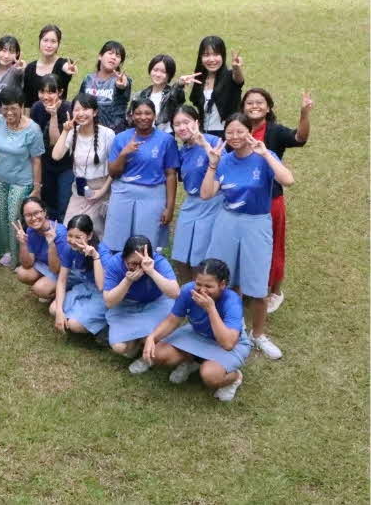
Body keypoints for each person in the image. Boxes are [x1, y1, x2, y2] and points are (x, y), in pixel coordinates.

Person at [201, 113, 294, 360]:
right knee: (223, 279)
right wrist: (212, 164)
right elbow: (206, 194)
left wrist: (266, 155)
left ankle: (258, 335)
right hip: (227, 222)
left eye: (240, 131)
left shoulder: (264, 156)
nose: (235, 137)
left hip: (256, 223)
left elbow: (288, 180)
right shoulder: (223, 160)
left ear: (249, 132)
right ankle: (228, 329)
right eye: (229, 132)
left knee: (257, 285)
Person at [243, 87, 312, 312]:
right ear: (243, 108)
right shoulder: (238, 129)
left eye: (259, 102)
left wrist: (304, 114)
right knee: (249, 246)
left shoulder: (275, 131)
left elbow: (300, 138)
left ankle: (275, 291)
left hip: (271, 200)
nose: (254, 106)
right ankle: (249, 285)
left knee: (274, 246)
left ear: (268, 108)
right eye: (249, 103)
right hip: (244, 202)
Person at [142, 258, 251, 402]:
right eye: (198, 284)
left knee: (210, 376)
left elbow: (228, 343)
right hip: (197, 333)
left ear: (222, 284)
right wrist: (152, 337)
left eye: (209, 286)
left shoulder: (232, 301)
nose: (202, 290)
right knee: (158, 354)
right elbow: (172, 320)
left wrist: (211, 309)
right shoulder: (188, 290)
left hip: (228, 342)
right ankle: (190, 361)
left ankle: (235, 378)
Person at [105, 99, 179, 252]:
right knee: (117, 242)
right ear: (132, 116)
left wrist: (170, 207)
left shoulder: (166, 140)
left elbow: (171, 174)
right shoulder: (121, 138)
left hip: (152, 194)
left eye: (147, 113)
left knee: (146, 244)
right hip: (123, 193)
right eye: (138, 113)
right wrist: (124, 154)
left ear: (155, 115)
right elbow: (113, 172)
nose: (143, 117)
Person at [0, 86, 44, 266]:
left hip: (22, 181)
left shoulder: (33, 130)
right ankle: (1, 248)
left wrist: (37, 187)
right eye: (5, 108)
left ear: (22, 106)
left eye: (13, 108)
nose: (9, 113)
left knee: (13, 217)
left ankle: (16, 254)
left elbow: (36, 160)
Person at [102, 235, 180, 373]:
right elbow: (109, 302)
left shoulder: (158, 262)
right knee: (120, 347)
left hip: (156, 303)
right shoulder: (115, 263)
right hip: (127, 305)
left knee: (154, 337)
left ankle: (145, 352)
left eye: (141, 263)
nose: (138, 268)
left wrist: (151, 271)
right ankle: (137, 342)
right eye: (133, 263)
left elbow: (175, 293)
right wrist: (127, 281)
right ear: (124, 258)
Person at [169, 106, 223, 282]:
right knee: (179, 257)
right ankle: (187, 291)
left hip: (213, 203)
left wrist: (205, 146)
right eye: (177, 124)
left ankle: (201, 292)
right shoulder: (182, 150)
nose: (182, 127)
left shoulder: (213, 141)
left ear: (197, 122)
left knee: (199, 259)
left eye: (186, 122)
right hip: (191, 203)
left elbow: (224, 167)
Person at [51, 93, 114, 238]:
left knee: (92, 232)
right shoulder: (72, 133)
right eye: (77, 110)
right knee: (68, 228)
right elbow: (56, 155)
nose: (81, 114)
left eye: (85, 109)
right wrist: (65, 131)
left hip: (100, 190)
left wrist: (103, 190)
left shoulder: (107, 134)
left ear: (95, 112)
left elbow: (115, 167)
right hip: (79, 190)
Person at [50, 214, 111, 336]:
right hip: (86, 286)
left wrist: (95, 256)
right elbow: (62, 280)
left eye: (78, 237)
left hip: (103, 293)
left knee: (74, 325)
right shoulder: (69, 249)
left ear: (89, 236)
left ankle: (105, 328)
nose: (72, 241)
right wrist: (60, 311)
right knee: (54, 309)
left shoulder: (102, 252)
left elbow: (101, 286)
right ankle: (81, 316)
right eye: (70, 235)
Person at [30, 74, 73, 222]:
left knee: (63, 204)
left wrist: (54, 116)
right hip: (45, 164)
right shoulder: (36, 108)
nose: (45, 96)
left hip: (65, 165)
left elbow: (56, 143)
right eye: (42, 91)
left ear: (60, 92)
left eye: (51, 92)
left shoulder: (68, 109)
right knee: (47, 204)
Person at [188, 35, 245, 138]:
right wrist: (180, 84)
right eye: (206, 55)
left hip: (228, 134)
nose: (211, 59)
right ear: (201, 57)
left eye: (216, 54)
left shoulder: (230, 76)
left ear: (223, 56)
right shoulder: (199, 79)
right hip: (204, 134)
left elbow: (239, 81)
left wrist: (236, 68)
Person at [13, 196, 65, 302]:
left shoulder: (60, 232)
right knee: (22, 273)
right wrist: (23, 244)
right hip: (45, 265)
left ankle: (62, 292)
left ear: (44, 212)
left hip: (63, 271)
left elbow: (56, 269)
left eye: (36, 213)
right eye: (28, 215)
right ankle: (49, 287)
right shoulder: (30, 230)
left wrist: (51, 244)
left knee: (39, 288)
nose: (33, 218)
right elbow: (27, 264)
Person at [78, 41, 131, 133]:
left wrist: (121, 86)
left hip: (114, 131)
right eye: (110, 53)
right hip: (88, 130)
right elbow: (80, 103)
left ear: (120, 62)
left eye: (118, 56)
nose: (113, 57)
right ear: (100, 56)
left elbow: (123, 88)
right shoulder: (88, 79)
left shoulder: (122, 80)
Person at [134, 54, 195, 133]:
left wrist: (179, 84)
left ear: (169, 75)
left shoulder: (172, 94)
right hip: (145, 135)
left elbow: (177, 94)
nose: (158, 74)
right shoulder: (141, 94)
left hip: (167, 135)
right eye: (155, 70)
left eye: (163, 72)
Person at [22, 24, 76, 109]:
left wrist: (70, 69)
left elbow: (67, 66)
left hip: (58, 114)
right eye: (45, 40)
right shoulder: (30, 68)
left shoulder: (62, 65)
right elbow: (27, 103)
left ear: (58, 44)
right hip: (35, 115)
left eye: (53, 41)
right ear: (39, 41)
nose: (49, 45)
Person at [0, 35, 25, 119]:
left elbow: (20, 72)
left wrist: (22, 69)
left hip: (11, 119)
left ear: (17, 54)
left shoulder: (16, 71)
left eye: (11, 52)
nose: (6, 56)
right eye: (4, 50)